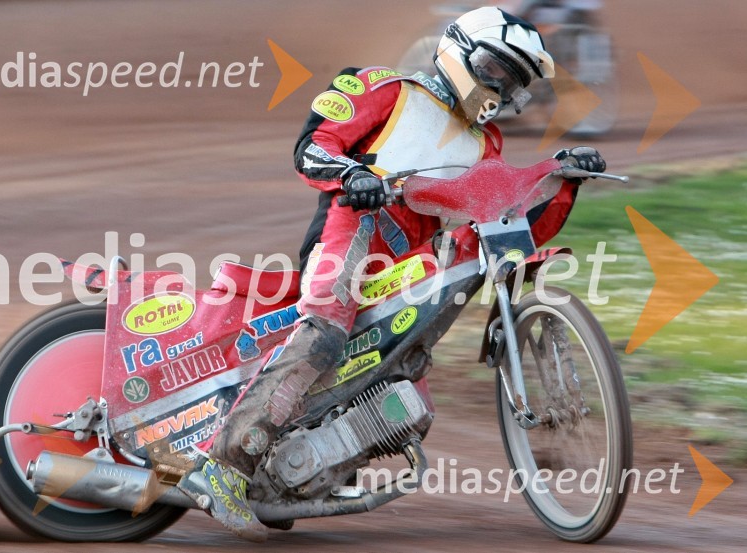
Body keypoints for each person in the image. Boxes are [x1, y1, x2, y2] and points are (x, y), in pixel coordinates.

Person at [179, 6, 606, 542]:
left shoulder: (486, 143)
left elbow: (507, 227)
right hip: (352, 229)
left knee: (406, 396)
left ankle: (291, 480)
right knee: (325, 338)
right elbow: (313, 146)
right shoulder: (387, 88)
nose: (503, 87)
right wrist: (354, 173)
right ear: (458, 52)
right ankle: (222, 469)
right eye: (497, 70)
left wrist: (564, 179)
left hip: (406, 265)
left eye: (515, 80)